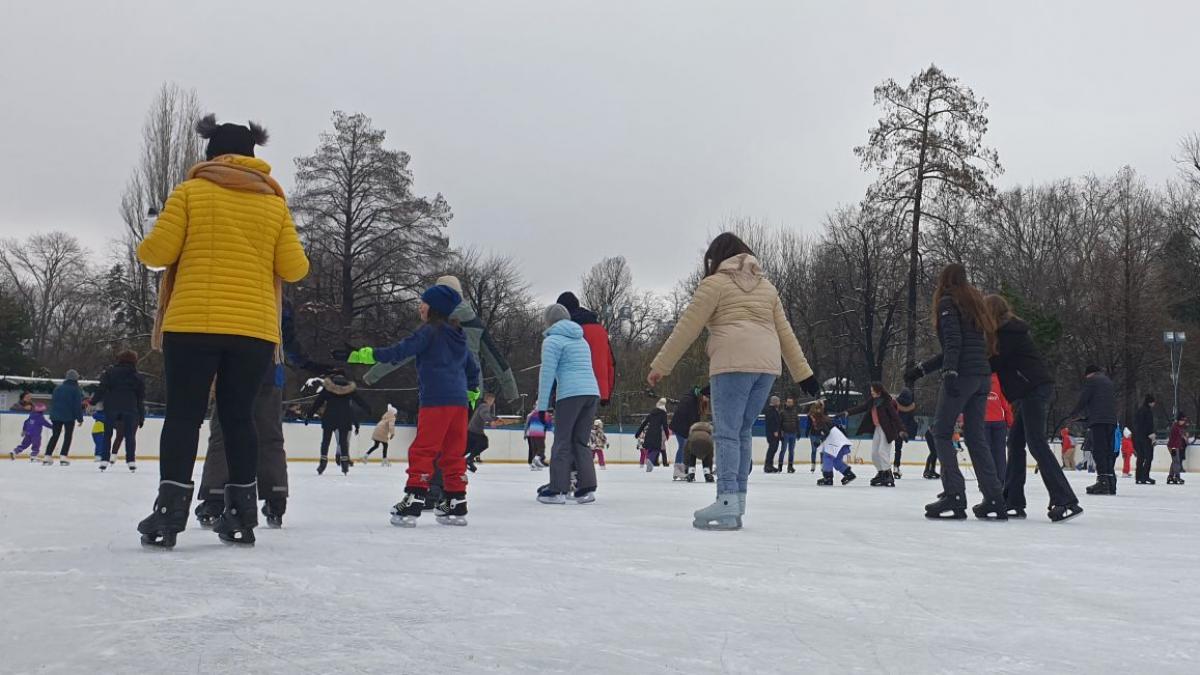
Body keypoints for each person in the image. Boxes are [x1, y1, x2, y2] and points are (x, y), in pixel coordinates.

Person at [132, 115, 309, 548]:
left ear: (210, 153)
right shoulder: (274, 205)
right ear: (254, 155)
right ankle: (241, 515)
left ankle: (170, 512)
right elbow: (295, 268)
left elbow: (155, 253)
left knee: (184, 416)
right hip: (252, 331)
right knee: (239, 419)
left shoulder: (190, 193)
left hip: (192, 324)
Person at [647, 232, 819, 530]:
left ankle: (726, 499)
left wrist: (662, 365)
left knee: (726, 433)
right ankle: (737, 501)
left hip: (731, 363)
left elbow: (687, 327)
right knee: (741, 432)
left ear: (716, 258)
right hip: (766, 367)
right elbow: (785, 332)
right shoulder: (767, 288)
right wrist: (804, 374)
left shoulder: (714, 283)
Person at [343, 284, 481, 526]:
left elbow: (400, 351)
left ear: (435, 308)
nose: (420, 306)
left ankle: (415, 497)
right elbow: (472, 368)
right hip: (459, 404)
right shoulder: (458, 335)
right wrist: (470, 393)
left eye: (424, 303)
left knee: (424, 449)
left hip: (435, 401)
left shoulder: (429, 331)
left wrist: (365, 355)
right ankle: (456, 499)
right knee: (453, 451)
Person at [196, 301, 326, 529]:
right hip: (268, 376)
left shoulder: (228, 292)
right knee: (270, 439)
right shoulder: (278, 300)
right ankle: (275, 500)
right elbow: (289, 342)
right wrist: (307, 364)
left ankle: (214, 499)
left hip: (231, 374)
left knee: (223, 435)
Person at [904, 264, 1005, 520]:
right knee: (975, 437)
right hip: (982, 377)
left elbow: (953, 343)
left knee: (941, 432)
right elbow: (965, 345)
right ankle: (994, 497)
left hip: (963, 376)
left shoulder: (948, 302)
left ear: (944, 280)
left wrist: (949, 371)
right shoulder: (975, 303)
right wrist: (922, 369)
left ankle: (954, 495)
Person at [985, 295, 1081, 522]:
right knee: (1015, 442)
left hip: (1034, 390)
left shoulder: (1009, 333)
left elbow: (993, 363)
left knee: (1036, 443)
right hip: (1032, 389)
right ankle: (1013, 500)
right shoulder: (1010, 330)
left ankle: (1066, 499)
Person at [535, 303, 601, 504]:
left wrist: (542, 406)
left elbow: (546, 375)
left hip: (571, 394)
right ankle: (586, 488)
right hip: (592, 393)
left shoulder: (552, 341)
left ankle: (557, 490)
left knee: (562, 440)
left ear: (549, 321)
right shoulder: (581, 340)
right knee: (580, 441)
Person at [555, 292, 616, 406]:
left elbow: (559, 362)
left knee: (567, 423)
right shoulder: (601, 330)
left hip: (572, 390)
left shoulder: (568, 329)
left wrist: (552, 393)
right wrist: (607, 392)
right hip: (597, 391)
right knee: (586, 423)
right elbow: (610, 363)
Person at [304, 372, 370, 475]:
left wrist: (309, 415)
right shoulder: (349, 391)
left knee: (325, 441)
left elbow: (318, 402)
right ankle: (344, 464)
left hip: (330, 417)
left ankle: (323, 463)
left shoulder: (328, 389)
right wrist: (368, 409)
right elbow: (359, 401)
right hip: (344, 418)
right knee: (343, 442)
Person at [1069, 365, 1119, 496]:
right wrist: (1085, 419)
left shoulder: (1092, 381)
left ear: (1089, 374)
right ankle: (1110, 481)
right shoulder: (1108, 382)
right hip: (1111, 421)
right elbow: (1102, 405)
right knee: (1108, 451)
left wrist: (1074, 413)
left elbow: (1084, 399)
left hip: (1099, 423)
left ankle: (1102, 482)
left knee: (1099, 451)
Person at [94, 350, 146, 472]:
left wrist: (92, 402)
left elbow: (101, 389)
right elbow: (140, 398)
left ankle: (104, 459)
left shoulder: (110, 373)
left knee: (108, 434)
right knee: (129, 435)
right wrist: (141, 416)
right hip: (130, 408)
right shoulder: (137, 377)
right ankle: (131, 461)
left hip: (111, 407)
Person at [844, 383, 905, 487]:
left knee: (882, 451)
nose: (871, 392)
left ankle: (888, 474)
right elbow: (862, 408)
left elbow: (895, 417)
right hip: (878, 428)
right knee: (874, 454)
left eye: (873, 390)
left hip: (887, 430)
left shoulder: (886, 402)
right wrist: (847, 412)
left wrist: (902, 430)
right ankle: (881, 472)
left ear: (878, 391)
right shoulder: (872, 401)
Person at [43, 370, 85, 465]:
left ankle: (47, 456)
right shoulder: (76, 389)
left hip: (55, 415)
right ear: (76, 378)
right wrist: (80, 419)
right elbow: (77, 406)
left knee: (55, 435)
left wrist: (53, 414)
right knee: (68, 436)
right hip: (69, 416)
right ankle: (63, 456)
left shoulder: (57, 388)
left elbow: (53, 402)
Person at [811, 401, 857, 486]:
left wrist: (819, 440)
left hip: (835, 440)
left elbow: (825, 431)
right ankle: (849, 474)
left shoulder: (819, 419)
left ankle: (828, 478)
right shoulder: (824, 417)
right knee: (836, 461)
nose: (811, 419)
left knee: (827, 457)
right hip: (838, 439)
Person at [669, 385, 709, 479]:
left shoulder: (695, 399)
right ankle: (678, 470)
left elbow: (695, 417)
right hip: (680, 425)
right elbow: (686, 415)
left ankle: (682, 469)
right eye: (707, 397)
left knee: (685, 446)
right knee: (683, 446)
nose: (707, 400)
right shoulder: (690, 399)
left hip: (683, 426)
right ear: (702, 395)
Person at [983, 372, 1013, 486]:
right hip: (999, 422)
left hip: (983, 422)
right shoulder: (1000, 380)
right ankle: (1002, 480)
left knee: (986, 453)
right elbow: (1006, 403)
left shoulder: (979, 379)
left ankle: (988, 481)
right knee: (1000, 453)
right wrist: (1010, 422)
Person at [466, 391, 501, 473]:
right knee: (484, 443)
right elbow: (484, 415)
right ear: (489, 400)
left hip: (472, 430)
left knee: (468, 447)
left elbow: (487, 415)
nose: (493, 403)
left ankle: (463, 460)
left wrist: (495, 418)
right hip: (475, 431)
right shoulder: (485, 406)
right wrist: (491, 421)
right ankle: (469, 459)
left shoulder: (481, 406)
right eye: (492, 401)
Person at [636, 399, 671, 473]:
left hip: (649, 433)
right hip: (657, 433)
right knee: (656, 449)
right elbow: (665, 425)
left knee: (650, 448)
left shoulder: (652, 413)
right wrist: (667, 434)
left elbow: (644, 423)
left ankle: (649, 463)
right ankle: (650, 459)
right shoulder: (663, 413)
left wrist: (637, 433)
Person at [894, 386, 918, 479]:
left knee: (885, 449)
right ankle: (896, 466)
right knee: (898, 449)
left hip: (894, 427)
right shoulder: (911, 406)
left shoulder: (895, 404)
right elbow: (911, 420)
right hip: (902, 429)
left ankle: (885, 469)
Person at [1133, 395, 1157, 484]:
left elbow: (1136, 423)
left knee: (1140, 457)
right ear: (1150, 402)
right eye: (1153, 402)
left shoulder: (1139, 411)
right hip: (1146, 437)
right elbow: (1149, 425)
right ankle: (1145, 476)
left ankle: (1138, 476)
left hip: (1138, 437)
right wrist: (1151, 435)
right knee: (1149, 457)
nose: (1154, 404)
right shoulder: (1148, 412)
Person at [778, 397, 801, 473]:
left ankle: (790, 466)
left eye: (790, 402)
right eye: (788, 402)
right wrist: (780, 434)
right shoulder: (782, 412)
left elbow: (797, 423)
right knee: (783, 450)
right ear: (786, 403)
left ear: (793, 403)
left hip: (793, 433)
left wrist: (798, 432)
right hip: (785, 433)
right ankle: (780, 466)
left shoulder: (795, 412)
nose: (789, 403)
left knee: (791, 451)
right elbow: (779, 424)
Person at [1167, 413, 1188, 485]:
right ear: (1179, 420)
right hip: (1173, 446)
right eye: (1182, 420)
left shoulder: (1179, 426)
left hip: (1175, 446)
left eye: (1184, 420)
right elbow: (1173, 438)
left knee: (1174, 461)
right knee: (1177, 461)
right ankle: (1177, 476)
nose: (1183, 422)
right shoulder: (1175, 427)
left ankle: (1170, 476)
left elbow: (1180, 436)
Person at [763, 396, 783, 473]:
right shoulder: (770, 410)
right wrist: (775, 430)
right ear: (774, 402)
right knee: (772, 449)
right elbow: (771, 421)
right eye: (778, 401)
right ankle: (767, 465)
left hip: (775, 433)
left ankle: (770, 465)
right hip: (772, 433)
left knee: (774, 449)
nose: (779, 403)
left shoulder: (774, 410)